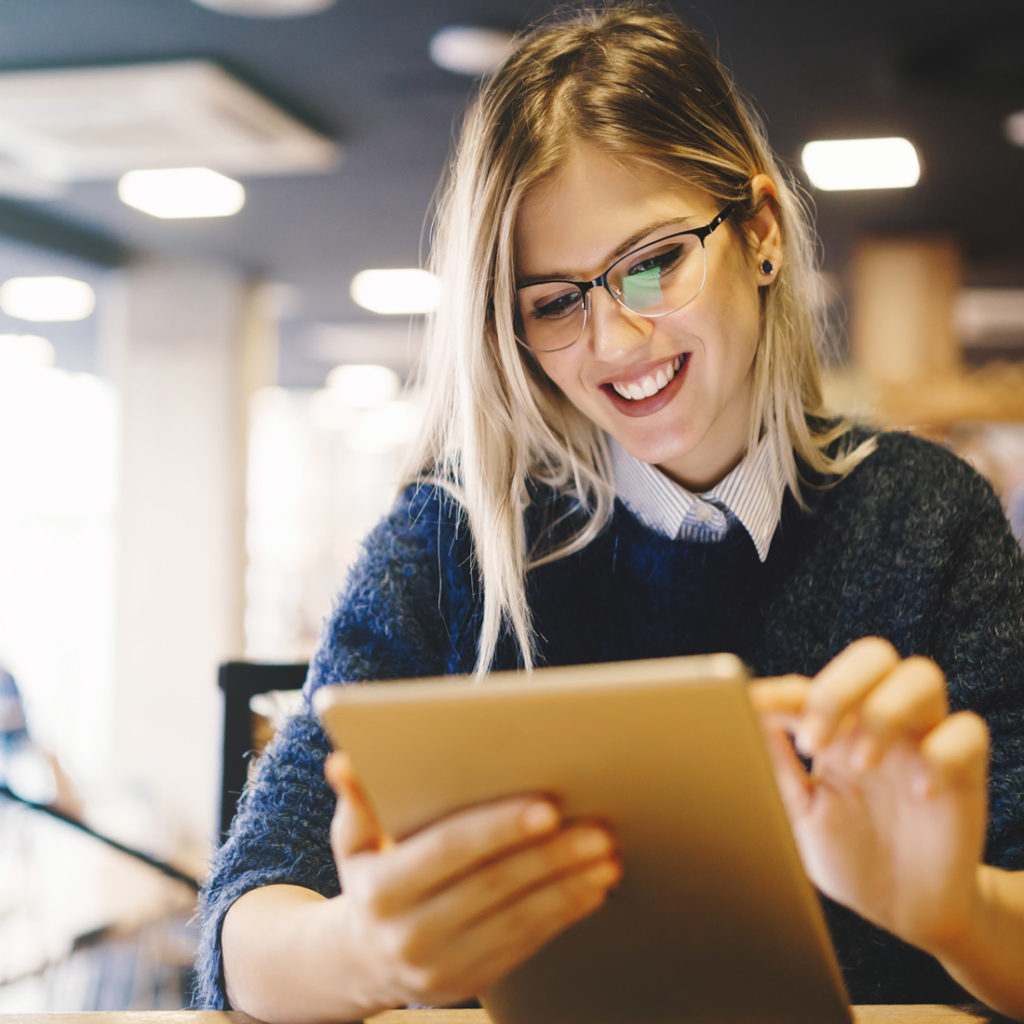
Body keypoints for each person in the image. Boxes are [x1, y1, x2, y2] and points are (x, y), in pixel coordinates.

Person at [195, 4, 1024, 1021]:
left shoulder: (926, 519)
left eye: (652, 263)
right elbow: (243, 926)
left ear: (760, 234)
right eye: (553, 301)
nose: (616, 339)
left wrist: (951, 912)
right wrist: (367, 950)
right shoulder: (454, 535)